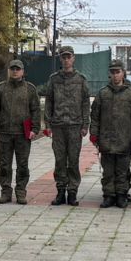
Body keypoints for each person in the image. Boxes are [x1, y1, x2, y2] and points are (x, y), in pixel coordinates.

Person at [90, 60, 131, 207]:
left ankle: (121, 195)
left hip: (124, 140)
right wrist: (94, 134)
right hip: (106, 139)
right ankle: (109, 195)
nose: (115, 75)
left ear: (123, 73)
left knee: (122, 170)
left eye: (117, 72)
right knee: (108, 171)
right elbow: (95, 116)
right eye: (112, 72)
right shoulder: (103, 93)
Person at [43, 45, 91, 206]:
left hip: (75, 126)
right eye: (63, 57)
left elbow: (85, 103)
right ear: (60, 59)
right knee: (60, 160)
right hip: (58, 126)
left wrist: (85, 124)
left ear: (73, 58)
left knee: (74, 160)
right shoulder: (54, 79)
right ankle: (60, 192)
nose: (66, 59)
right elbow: (49, 101)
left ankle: (72, 192)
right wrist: (47, 124)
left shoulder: (81, 80)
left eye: (68, 56)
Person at [0, 58, 42, 203]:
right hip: (5, 133)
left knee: (23, 165)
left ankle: (21, 191)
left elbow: (35, 110)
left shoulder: (30, 89)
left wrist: (35, 128)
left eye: (17, 69)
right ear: (9, 71)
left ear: (23, 72)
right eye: (12, 69)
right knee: (5, 165)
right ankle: (6, 192)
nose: (15, 71)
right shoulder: (1, 88)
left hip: (22, 134)